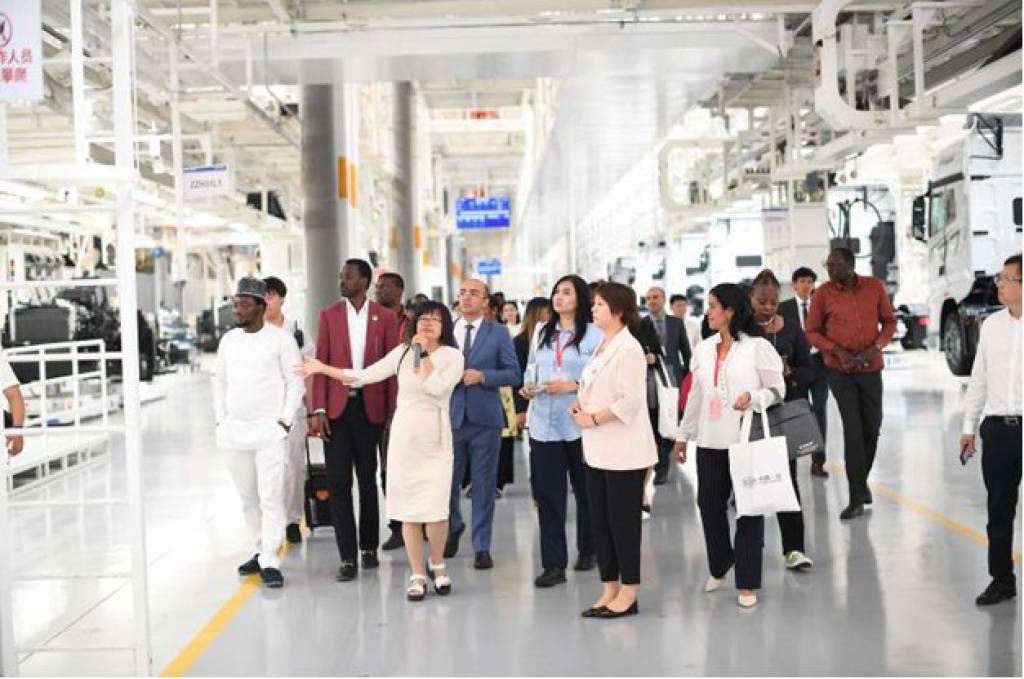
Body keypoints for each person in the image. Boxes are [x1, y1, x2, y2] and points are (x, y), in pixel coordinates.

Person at [300, 302, 465, 602]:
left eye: (435, 319)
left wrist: (422, 354)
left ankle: (437, 563)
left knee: (436, 510)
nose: (427, 323)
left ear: (445, 326)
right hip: (404, 438)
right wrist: (322, 368)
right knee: (409, 509)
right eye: (422, 318)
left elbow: (436, 388)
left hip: (435, 437)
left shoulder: (453, 356)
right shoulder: (401, 353)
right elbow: (363, 375)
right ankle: (417, 573)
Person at [673, 283, 786, 608]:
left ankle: (747, 582)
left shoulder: (757, 347)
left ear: (730, 311)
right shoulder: (703, 349)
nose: (707, 311)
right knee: (709, 505)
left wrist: (754, 396)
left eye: (713, 306)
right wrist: (683, 435)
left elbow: (778, 390)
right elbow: (696, 395)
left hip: (746, 439)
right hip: (710, 440)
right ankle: (721, 563)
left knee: (749, 509)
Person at [309, 259, 401, 581]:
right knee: (338, 483)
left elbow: (392, 368)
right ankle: (347, 556)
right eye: (341, 276)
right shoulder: (329, 315)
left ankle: (368, 548)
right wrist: (318, 409)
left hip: (370, 408)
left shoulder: (385, 318)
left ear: (364, 281)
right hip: (336, 411)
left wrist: (392, 412)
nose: (342, 281)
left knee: (367, 479)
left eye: (348, 277)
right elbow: (320, 363)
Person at [570, 282, 656, 619]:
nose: (593, 309)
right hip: (597, 448)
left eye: (599, 304)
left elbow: (630, 401)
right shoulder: (602, 344)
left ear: (618, 311)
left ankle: (629, 592)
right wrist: (581, 405)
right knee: (601, 523)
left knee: (623, 525)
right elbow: (593, 385)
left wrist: (592, 418)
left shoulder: (629, 348)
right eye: (593, 303)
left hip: (624, 451)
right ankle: (609, 588)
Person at [214, 278, 304, 589]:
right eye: (235, 303)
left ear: (261, 307)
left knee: (271, 496)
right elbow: (220, 382)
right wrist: (220, 421)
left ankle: (270, 558)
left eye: (244, 304)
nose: (237, 309)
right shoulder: (228, 341)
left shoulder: (281, 340)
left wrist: (285, 420)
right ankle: (259, 548)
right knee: (247, 497)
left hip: (269, 432)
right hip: (234, 432)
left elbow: (295, 382)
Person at [805, 247, 896, 520]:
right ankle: (856, 497)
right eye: (828, 265)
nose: (830, 270)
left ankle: (860, 481)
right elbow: (812, 331)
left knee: (872, 427)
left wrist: (876, 347)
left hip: (871, 368)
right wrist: (836, 351)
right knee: (853, 430)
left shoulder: (874, 286)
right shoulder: (822, 294)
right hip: (840, 371)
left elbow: (889, 322)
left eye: (836, 265)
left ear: (851, 264)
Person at [521, 275, 600, 588]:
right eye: (556, 291)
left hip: (579, 424)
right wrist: (528, 386)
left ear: (580, 299)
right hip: (544, 423)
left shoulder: (594, 334)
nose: (558, 297)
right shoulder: (542, 331)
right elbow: (532, 366)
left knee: (586, 491)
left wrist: (573, 385)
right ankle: (553, 564)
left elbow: (601, 376)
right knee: (548, 496)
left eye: (566, 292)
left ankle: (589, 549)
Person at [445, 278, 521, 569]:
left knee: (483, 485)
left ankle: (481, 546)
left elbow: (513, 374)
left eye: (474, 293)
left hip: (485, 419)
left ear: (486, 302)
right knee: (447, 483)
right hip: (450, 418)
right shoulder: (445, 330)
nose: (466, 298)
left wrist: (484, 376)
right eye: (463, 293)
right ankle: (453, 526)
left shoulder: (498, 333)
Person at [960, 253, 1022, 606]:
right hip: (998, 430)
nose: (999, 285)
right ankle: (1002, 579)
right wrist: (968, 427)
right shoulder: (992, 326)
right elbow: (979, 379)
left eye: (1006, 279)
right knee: (999, 509)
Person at [749, 270, 814, 572]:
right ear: (750, 299)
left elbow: (809, 369)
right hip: (747, 417)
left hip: (781, 416)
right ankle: (750, 550)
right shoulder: (741, 331)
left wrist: (790, 375)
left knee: (787, 480)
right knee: (748, 483)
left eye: (773, 302)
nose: (768, 307)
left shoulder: (791, 330)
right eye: (762, 302)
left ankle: (794, 548)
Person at [262, 276, 315, 545]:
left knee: (294, 466)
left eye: (270, 295)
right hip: (263, 409)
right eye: (262, 296)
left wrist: (311, 408)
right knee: (268, 466)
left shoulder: (296, 331)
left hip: (293, 408)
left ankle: (293, 520)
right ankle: (271, 520)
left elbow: (309, 369)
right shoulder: (254, 332)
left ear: (282, 299)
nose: (266, 301)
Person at [780, 266, 829, 478]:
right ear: (794, 284)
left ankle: (818, 461)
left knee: (820, 411)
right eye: (802, 281)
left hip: (819, 364)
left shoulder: (821, 306)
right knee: (796, 412)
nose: (806, 285)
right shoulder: (784, 308)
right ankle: (793, 456)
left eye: (810, 281)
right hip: (797, 367)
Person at [640, 286, 691, 486]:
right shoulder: (641, 325)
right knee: (655, 420)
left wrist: (688, 379)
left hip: (673, 379)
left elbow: (686, 352)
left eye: (655, 297)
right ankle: (660, 467)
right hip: (652, 380)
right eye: (648, 298)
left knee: (672, 421)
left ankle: (663, 458)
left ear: (663, 299)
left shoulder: (676, 323)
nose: (651, 301)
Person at [375, 271, 408, 551]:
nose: (378, 290)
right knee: (386, 469)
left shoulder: (411, 324)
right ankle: (397, 526)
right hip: (374, 403)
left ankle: (418, 522)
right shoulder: (369, 323)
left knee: (407, 467)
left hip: (406, 405)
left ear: (398, 290)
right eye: (377, 285)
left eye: (384, 286)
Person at [513, 297, 552, 435]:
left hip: (547, 398)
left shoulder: (552, 339)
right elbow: (517, 377)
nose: (552, 316)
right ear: (537, 314)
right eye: (548, 312)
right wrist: (520, 409)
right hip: (528, 398)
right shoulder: (520, 341)